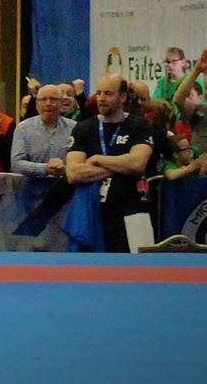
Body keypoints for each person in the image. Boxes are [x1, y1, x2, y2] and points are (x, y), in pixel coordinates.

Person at [64, 74, 155, 252]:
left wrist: (97, 160)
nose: (101, 99)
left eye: (108, 93)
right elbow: (73, 173)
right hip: (92, 213)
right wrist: (121, 167)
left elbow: (137, 164)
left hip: (132, 212)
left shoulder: (139, 125)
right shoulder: (84, 128)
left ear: (122, 97)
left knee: (137, 272)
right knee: (91, 273)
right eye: (98, 93)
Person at [9, 83, 76, 179]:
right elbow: (16, 164)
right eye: (43, 100)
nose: (48, 104)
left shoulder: (74, 128)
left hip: (65, 188)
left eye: (53, 99)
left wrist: (64, 169)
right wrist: (45, 168)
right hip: (32, 189)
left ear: (61, 104)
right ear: (36, 105)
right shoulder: (23, 128)